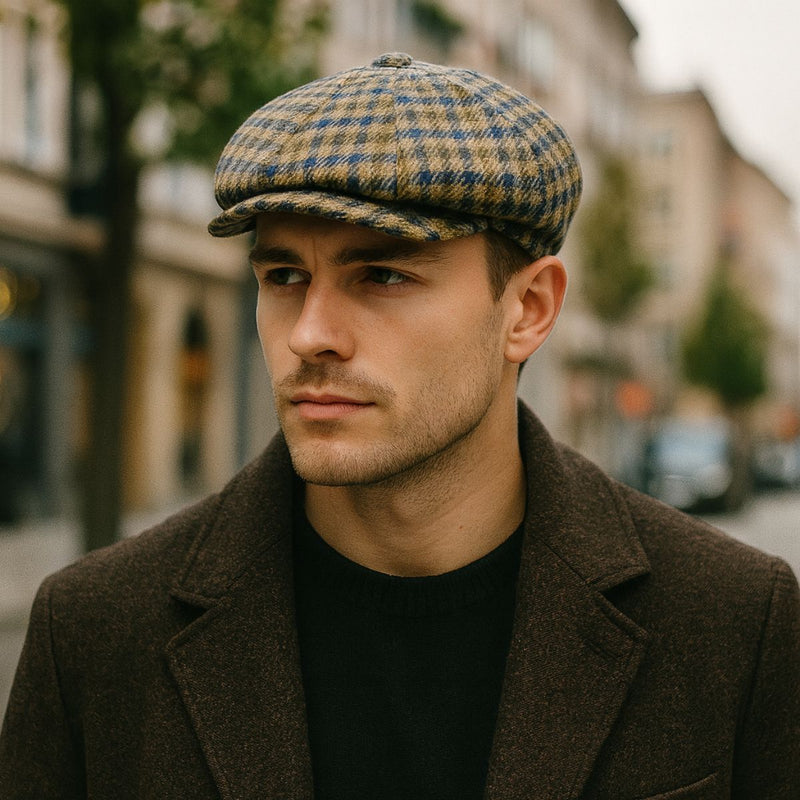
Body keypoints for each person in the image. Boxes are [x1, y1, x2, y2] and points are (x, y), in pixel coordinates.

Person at [1, 53, 798, 800]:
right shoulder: (96, 631)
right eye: (284, 275)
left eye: (382, 274)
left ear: (528, 309)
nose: (310, 333)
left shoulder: (732, 623)